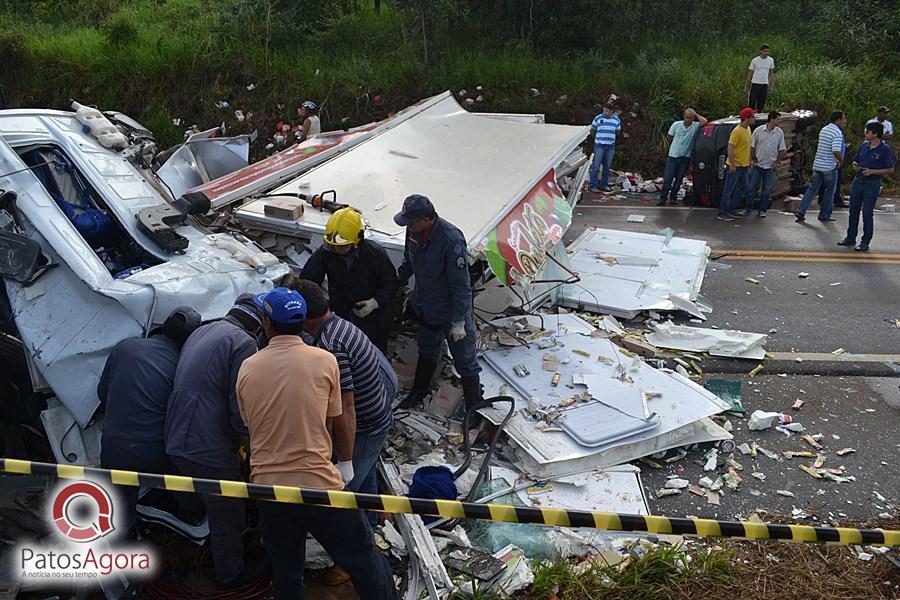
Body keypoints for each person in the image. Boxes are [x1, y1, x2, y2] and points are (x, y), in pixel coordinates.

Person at [236, 287, 397, 600]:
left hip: (269, 487)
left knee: (285, 566)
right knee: (362, 558)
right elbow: (332, 419)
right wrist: (345, 463)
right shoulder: (325, 361)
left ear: (268, 325)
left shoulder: (248, 367)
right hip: (319, 484)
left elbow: (250, 425)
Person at [165, 294, 263, 588]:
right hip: (207, 445)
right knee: (228, 512)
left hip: (176, 434)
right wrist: (249, 442)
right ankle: (230, 574)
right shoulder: (244, 343)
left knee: (200, 498)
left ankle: (201, 540)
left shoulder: (203, 330)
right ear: (257, 327)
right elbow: (238, 405)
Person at [98, 306, 201, 535]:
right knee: (182, 486)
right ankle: (195, 516)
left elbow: (102, 394)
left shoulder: (125, 347)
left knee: (120, 510)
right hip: (154, 450)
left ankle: (121, 560)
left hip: (113, 446)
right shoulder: (182, 367)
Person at [292, 279, 395, 497]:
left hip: (366, 428)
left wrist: (345, 461)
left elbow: (345, 407)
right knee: (366, 483)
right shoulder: (339, 325)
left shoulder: (330, 346)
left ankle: (355, 527)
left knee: (344, 495)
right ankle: (373, 525)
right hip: (377, 416)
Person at [392, 194, 482, 412]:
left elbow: (461, 286)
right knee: (427, 350)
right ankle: (418, 392)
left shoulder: (450, 240)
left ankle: (474, 405)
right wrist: (393, 285)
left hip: (452, 311)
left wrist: (459, 321)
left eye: (412, 222)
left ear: (426, 219)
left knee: (464, 360)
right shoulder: (413, 232)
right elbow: (408, 263)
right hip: (427, 306)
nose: (409, 227)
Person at [300, 207, 399, 353]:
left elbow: (391, 283)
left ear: (356, 241)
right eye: (332, 245)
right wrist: (319, 307)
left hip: (372, 320)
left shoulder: (375, 255)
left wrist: (375, 303)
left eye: (341, 246)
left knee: (372, 354)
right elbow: (308, 280)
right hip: (340, 313)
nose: (335, 249)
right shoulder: (327, 252)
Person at [838, 121, 894, 252]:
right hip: (858, 181)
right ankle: (850, 237)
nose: (865, 134)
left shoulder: (885, 149)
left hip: (872, 183)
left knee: (867, 213)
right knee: (853, 211)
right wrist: (855, 166)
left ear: (875, 134)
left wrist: (872, 171)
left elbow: (890, 169)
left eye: (868, 132)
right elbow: (856, 160)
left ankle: (865, 241)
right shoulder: (864, 146)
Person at [795, 110, 847, 223]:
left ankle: (801, 210)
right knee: (830, 191)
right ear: (838, 120)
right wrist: (841, 161)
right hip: (829, 167)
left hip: (818, 165)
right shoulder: (837, 133)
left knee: (812, 189)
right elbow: (836, 150)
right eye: (843, 119)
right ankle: (824, 214)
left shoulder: (824, 129)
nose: (845, 122)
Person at [658, 108, 708, 206]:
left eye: (690, 118)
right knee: (668, 179)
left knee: (678, 180)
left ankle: (673, 198)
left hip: (685, 157)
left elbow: (704, 121)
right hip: (673, 156)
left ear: (693, 118)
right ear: (683, 117)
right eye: (686, 118)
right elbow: (669, 136)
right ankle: (663, 198)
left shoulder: (694, 126)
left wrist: (696, 114)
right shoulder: (676, 125)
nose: (688, 120)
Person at [743, 111, 786, 217]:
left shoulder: (779, 132)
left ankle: (762, 210)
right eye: (777, 119)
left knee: (767, 190)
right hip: (758, 164)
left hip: (770, 165)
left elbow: (782, 149)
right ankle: (747, 209)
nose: (779, 121)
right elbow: (752, 146)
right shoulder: (758, 131)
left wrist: (777, 161)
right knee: (752, 188)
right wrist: (753, 158)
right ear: (772, 119)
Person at [718, 107, 755, 222]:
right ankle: (723, 212)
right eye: (752, 116)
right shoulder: (737, 131)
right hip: (736, 165)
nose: (754, 119)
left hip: (744, 165)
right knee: (729, 189)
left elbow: (747, 147)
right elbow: (730, 147)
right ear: (746, 118)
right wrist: (732, 164)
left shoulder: (748, 129)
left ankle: (731, 208)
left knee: (744, 187)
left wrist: (749, 160)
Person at [588, 104, 621, 192]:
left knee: (607, 166)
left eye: (607, 111)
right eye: (604, 110)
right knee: (596, 165)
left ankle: (604, 184)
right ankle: (592, 185)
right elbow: (592, 130)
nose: (605, 112)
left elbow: (617, 131)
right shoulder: (598, 118)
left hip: (610, 145)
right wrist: (598, 138)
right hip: (600, 145)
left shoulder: (616, 119)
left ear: (611, 111)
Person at [744, 44, 774, 112]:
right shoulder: (755, 60)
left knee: (761, 104)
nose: (767, 53)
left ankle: (760, 116)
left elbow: (771, 73)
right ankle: (750, 117)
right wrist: (746, 86)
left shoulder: (771, 60)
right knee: (752, 103)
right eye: (765, 51)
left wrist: (771, 85)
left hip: (764, 84)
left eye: (768, 52)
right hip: (755, 84)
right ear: (761, 51)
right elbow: (750, 73)